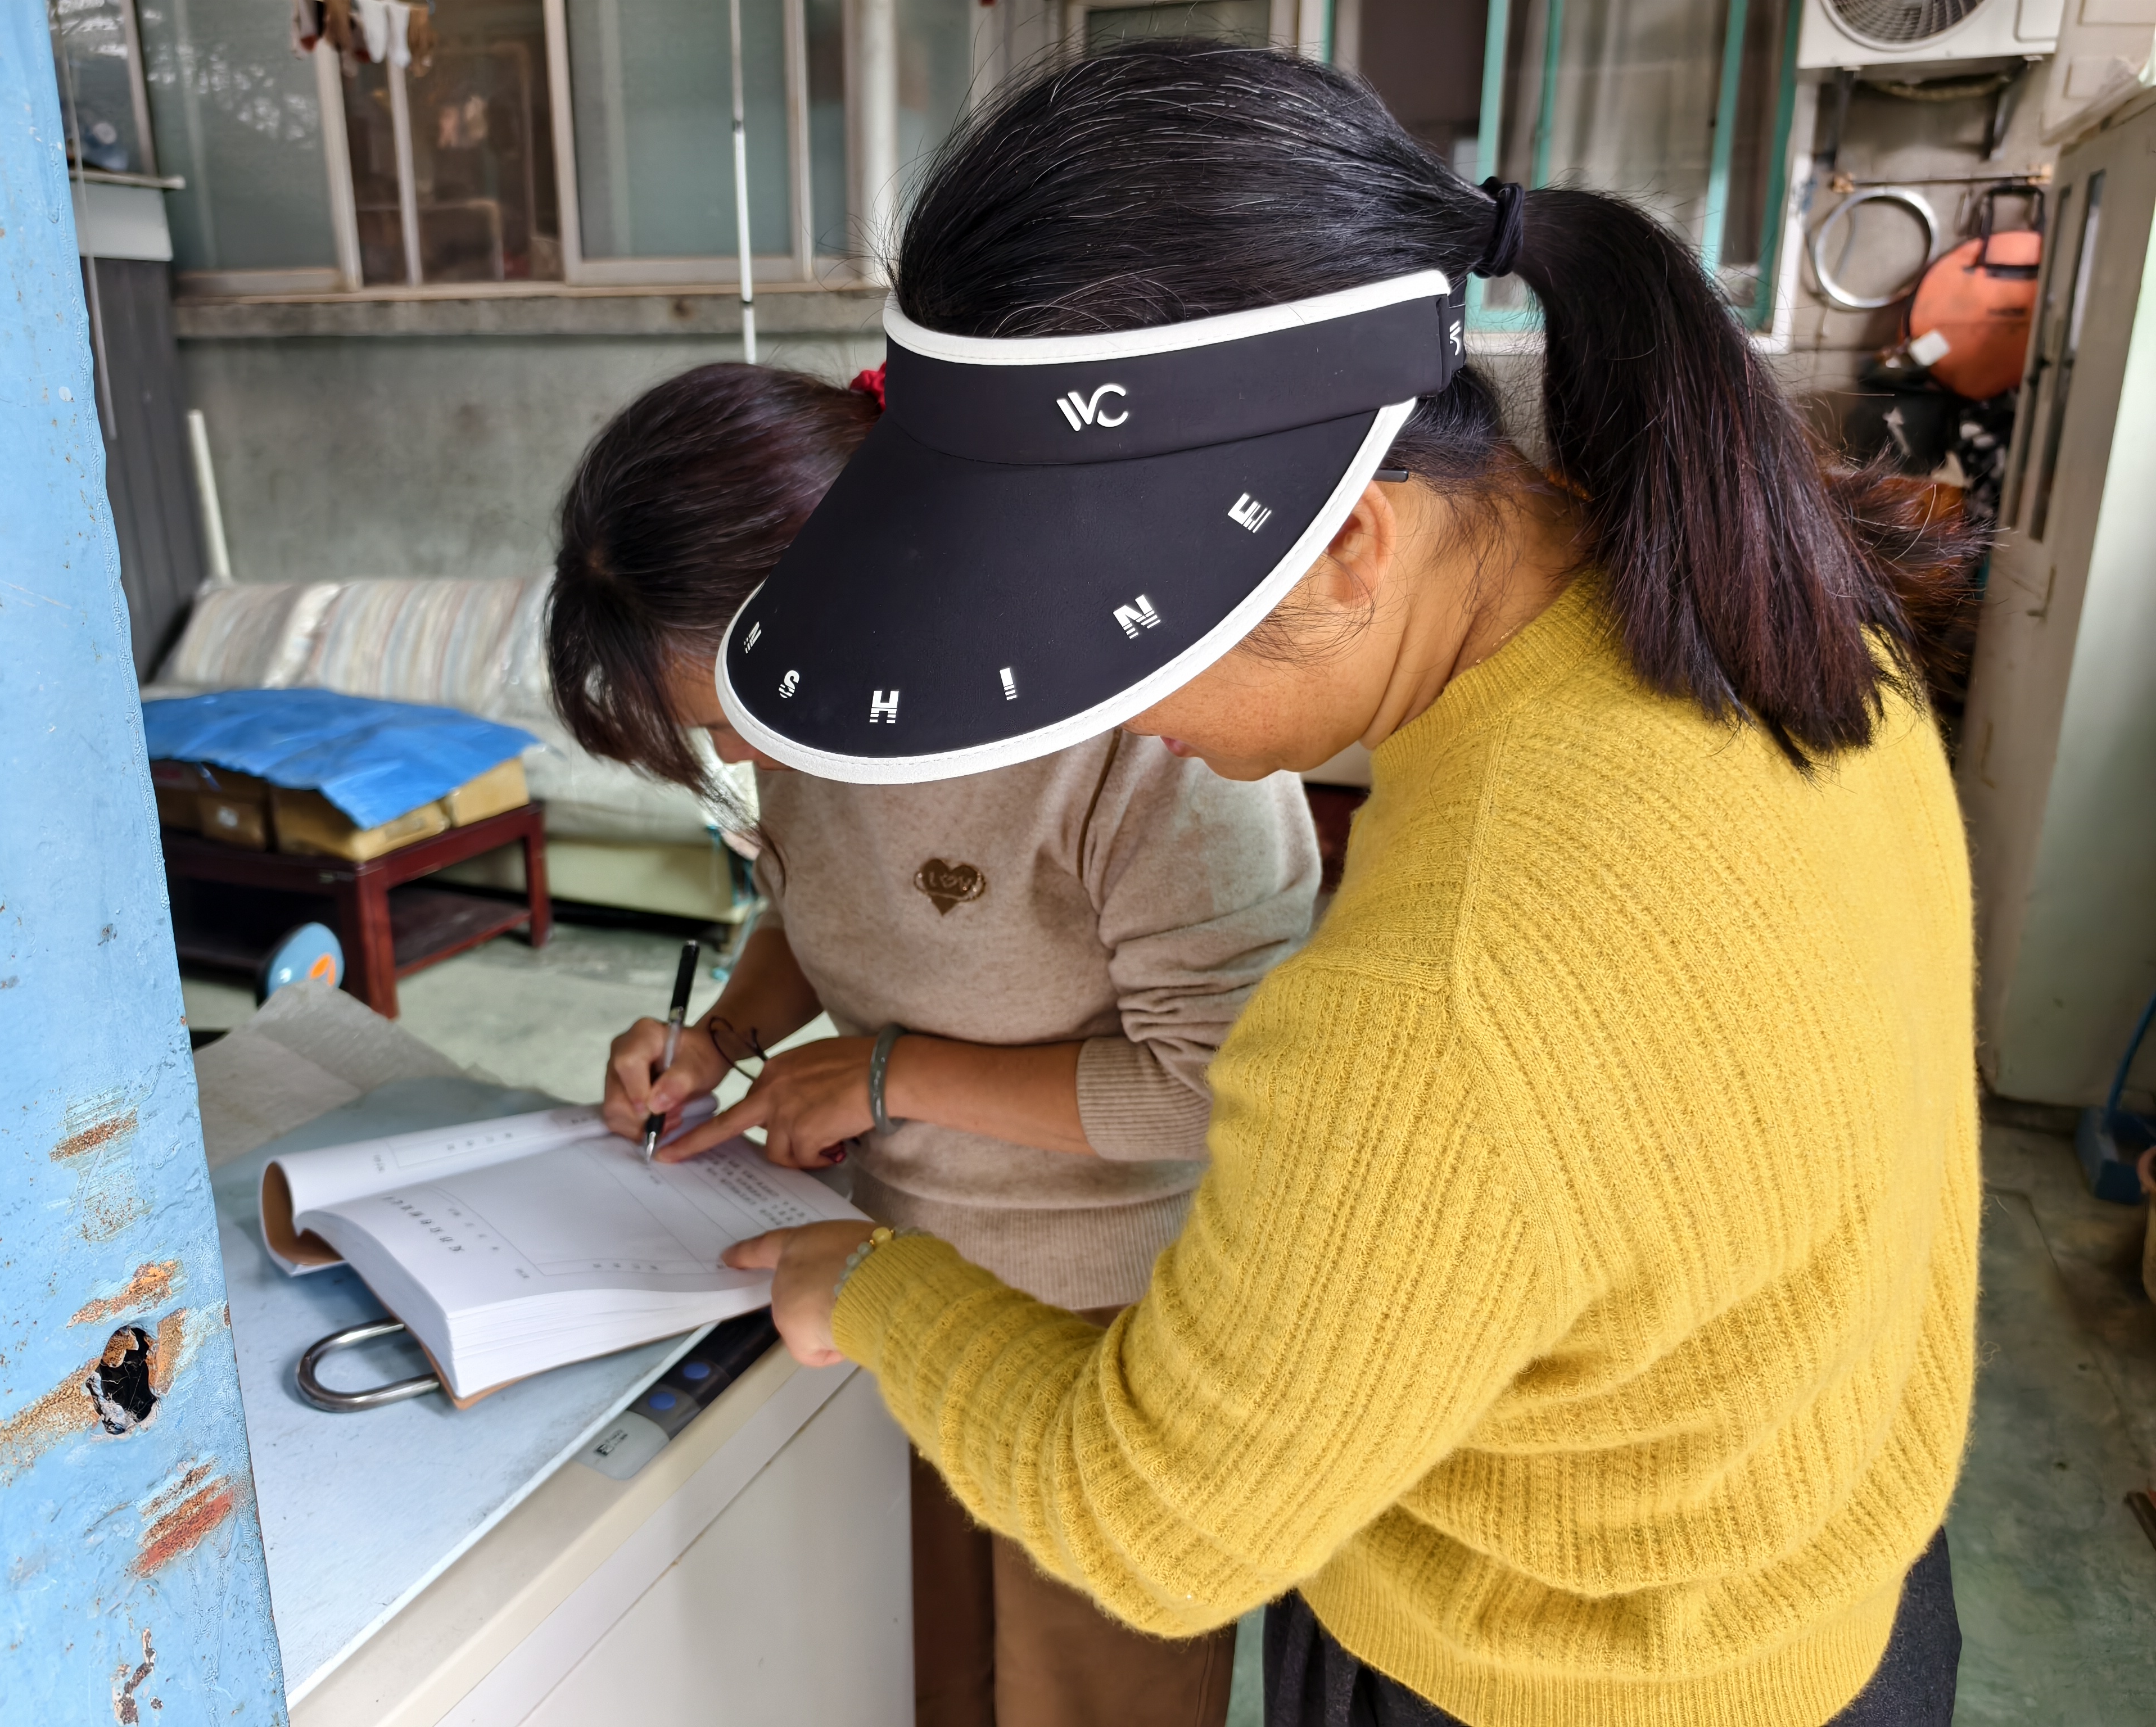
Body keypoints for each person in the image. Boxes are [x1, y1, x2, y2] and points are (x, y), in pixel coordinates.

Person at [717, 42, 1983, 1727]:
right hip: (1812, 1568)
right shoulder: (1766, 613)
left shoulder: (1443, 998)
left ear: (1341, 549)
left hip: (1558, 1676)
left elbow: (1156, 1530)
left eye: (1119, 658)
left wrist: (877, 1291)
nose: (1112, 719)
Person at [544, 360, 1321, 1727]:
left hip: (1112, 1319)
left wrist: (884, 1074)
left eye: (739, 714)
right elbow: (825, 911)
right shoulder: (811, 728)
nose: (750, 754)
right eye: (716, 734)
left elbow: (1211, 1092)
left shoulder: (1143, 736)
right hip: (884, 1278)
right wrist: (718, 1035)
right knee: (926, 1670)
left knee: (1087, 1697)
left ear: (880, 582)